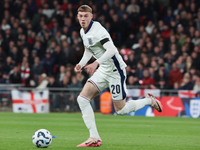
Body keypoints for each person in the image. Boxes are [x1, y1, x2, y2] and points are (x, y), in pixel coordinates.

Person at [74, 5, 163, 147]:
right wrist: (81, 64)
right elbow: (88, 50)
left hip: (116, 72)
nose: (83, 19)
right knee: (82, 99)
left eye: (86, 16)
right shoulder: (83, 32)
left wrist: (95, 63)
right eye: (81, 16)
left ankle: (149, 101)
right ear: (77, 17)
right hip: (104, 69)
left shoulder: (98, 31)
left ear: (91, 16)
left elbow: (112, 50)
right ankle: (94, 137)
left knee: (121, 110)